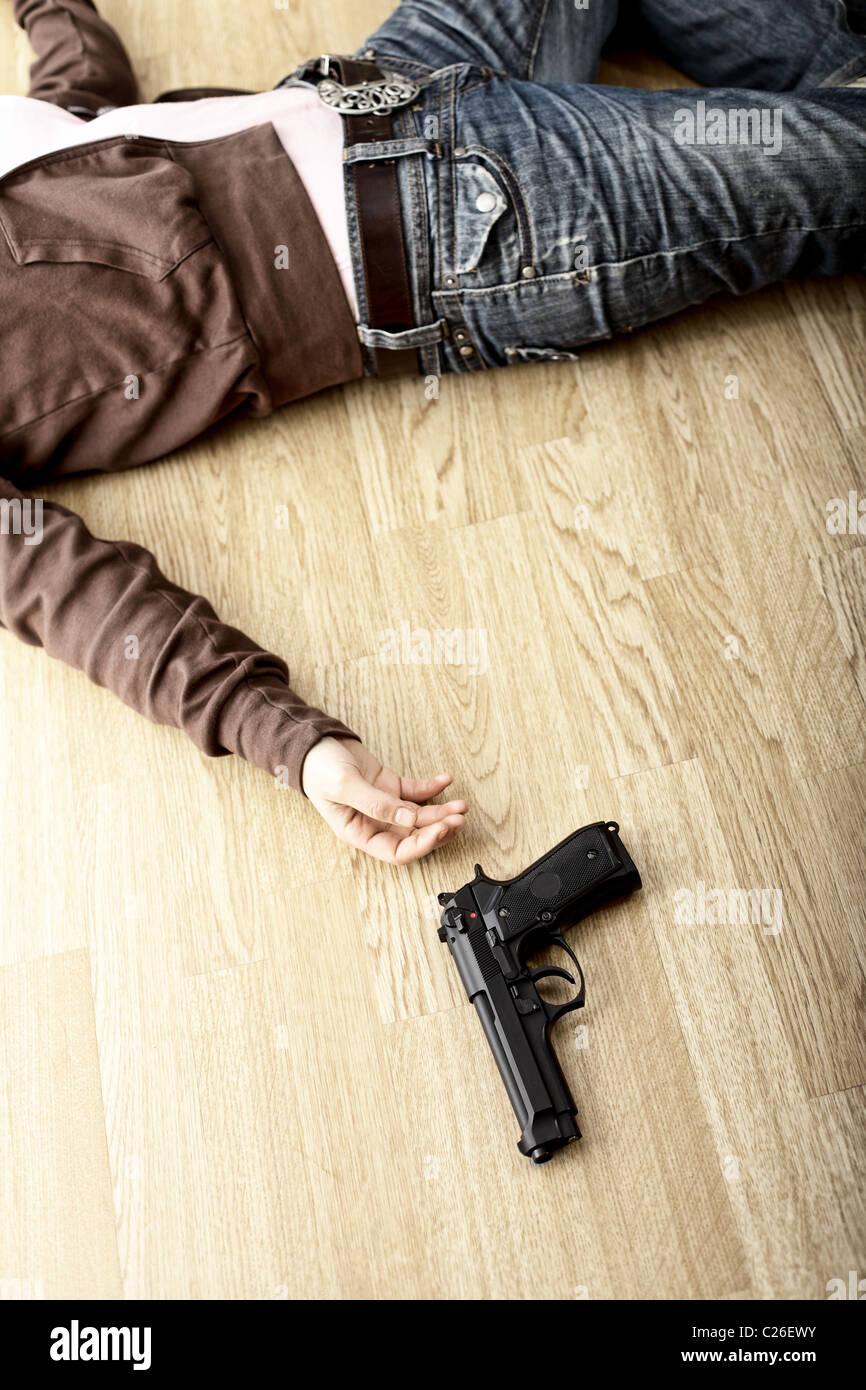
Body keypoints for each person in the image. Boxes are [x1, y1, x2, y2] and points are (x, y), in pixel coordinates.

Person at [1, 0, 864, 863]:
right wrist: (291, 743)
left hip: (377, 89)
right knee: (841, 164)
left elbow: (76, 125)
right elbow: (61, 589)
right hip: (459, 228)